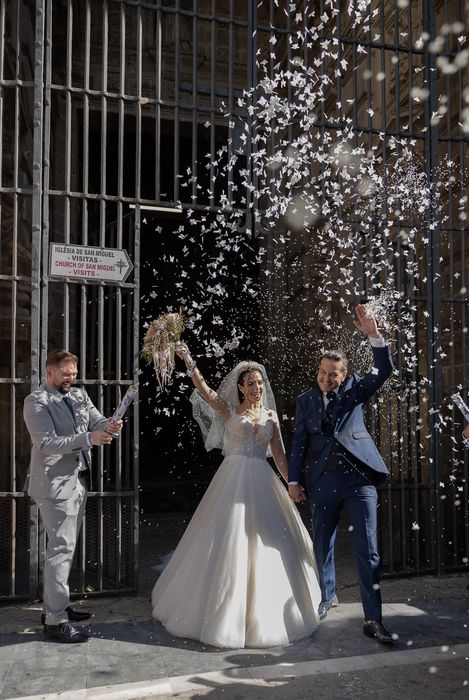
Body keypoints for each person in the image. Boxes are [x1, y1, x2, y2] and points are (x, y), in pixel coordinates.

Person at [151, 343, 321, 648]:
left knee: (269, 542)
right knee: (228, 540)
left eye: (260, 383)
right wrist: (188, 360)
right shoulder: (228, 410)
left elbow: (279, 454)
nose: (257, 387)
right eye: (251, 383)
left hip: (263, 479)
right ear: (241, 388)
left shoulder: (271, 415)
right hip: (232, 479)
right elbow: (205, 391)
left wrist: (292, 484)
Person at [288, 304, 394, 644]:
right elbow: (299, 442)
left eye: (333, 374)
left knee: (369, 550)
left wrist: (374, 335)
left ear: (344, 374)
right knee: (322, 545)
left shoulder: (356, 390)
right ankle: (325, 597)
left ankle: (373, 619)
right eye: (322, 372)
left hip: (359, 480)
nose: (326, 378)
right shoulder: (305, 400)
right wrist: (294, 480)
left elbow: (384, 370)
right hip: (322, 482)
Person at [23, 350, 122, 643]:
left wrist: (109, 426)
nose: (71, 378)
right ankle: (55, 621)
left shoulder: (78, 396)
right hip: (53, 486)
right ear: (49, 372)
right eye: (66, 374)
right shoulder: (36, 402)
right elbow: (46, 443)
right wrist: (88, 439)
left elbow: (96, 421)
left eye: (74, 373)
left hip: (78, 481)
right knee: (61, 550)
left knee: (66, 548)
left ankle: (57, 606)